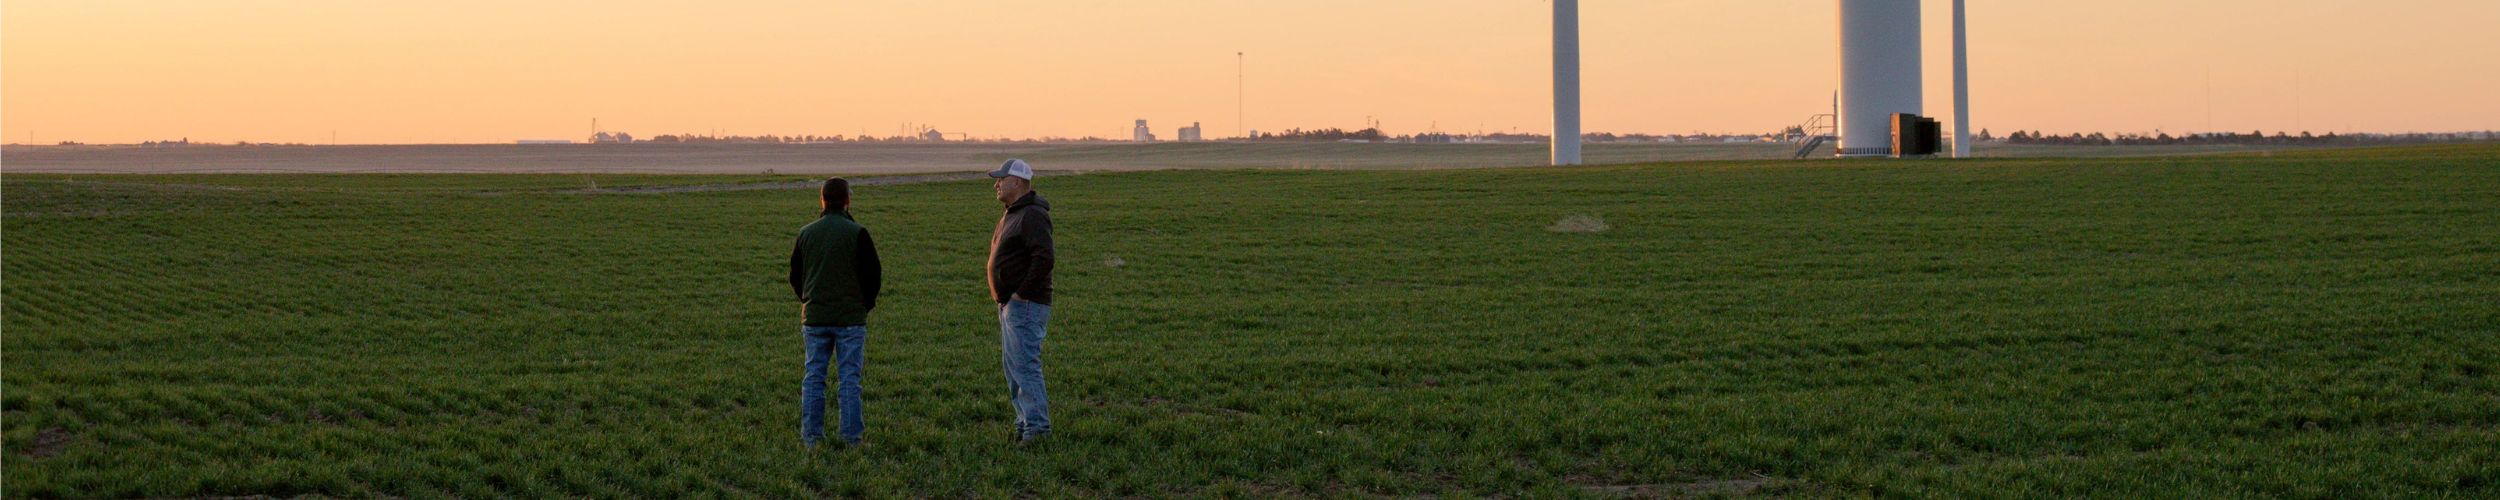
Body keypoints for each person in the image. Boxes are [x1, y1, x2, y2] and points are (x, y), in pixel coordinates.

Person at [789, 177, 881, 448]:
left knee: (814, 377)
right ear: (847, 201)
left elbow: (795, 276)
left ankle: (812, 438)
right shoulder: (858, 232)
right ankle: (852, 439)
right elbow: (873, 276)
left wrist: (808, 300)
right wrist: (864, 305)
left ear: (822, 201)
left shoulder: (806, 233)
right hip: (851, 320)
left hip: (815, 318)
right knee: (849, 379)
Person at [987, 159, 1056, 444]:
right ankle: (1024, 422)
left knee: (1025, 366)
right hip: (1010, 305)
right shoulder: (1012, 213)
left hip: (1024, 305)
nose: (996, 184)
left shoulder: (1032, 215)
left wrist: (1020, 293)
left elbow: (1044, 258)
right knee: (1013, 368)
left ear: (1017, 181)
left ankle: (1037, 429)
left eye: (1001, 179)